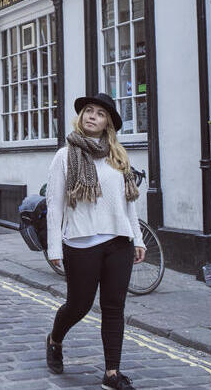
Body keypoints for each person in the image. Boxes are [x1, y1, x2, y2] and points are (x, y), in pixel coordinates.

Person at [45, 92, 146, 390]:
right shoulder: (65, 156)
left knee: (114, 307)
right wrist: (54, 246)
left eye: (100, 113)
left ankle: (112, 373)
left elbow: (128, 203)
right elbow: (54, 204)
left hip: (118, 241)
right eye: (88, 111)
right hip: (80, 242)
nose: (92, 116)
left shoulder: (118, 156)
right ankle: (55, 339)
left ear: (107, 124)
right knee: (79, 305)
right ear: (81, 117)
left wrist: (137, 238)